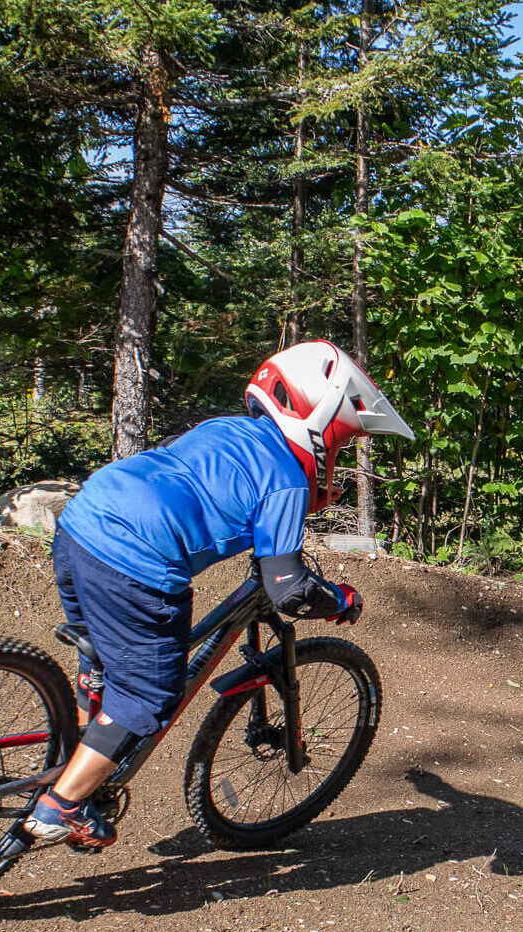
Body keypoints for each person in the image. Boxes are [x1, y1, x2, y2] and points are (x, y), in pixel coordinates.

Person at [23, 340, 415, 849]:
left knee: (102, 659)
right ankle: (62, 805)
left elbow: (203, 481)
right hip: (135, 562)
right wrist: (340, 600)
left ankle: (80, 754)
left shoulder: (225, 428)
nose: (333, 459)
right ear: (322, 425)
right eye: (339, 445)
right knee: (147, 693)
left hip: (82, 522)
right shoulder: (286, 481)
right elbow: (289, 590)